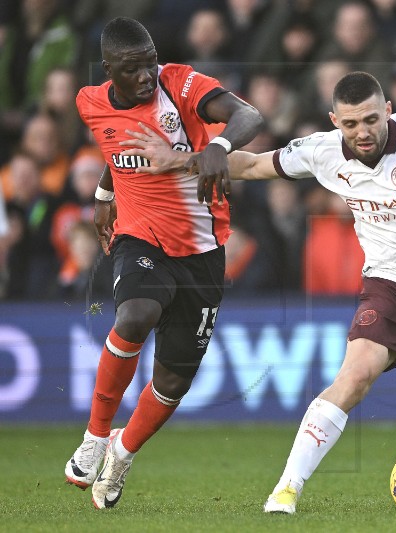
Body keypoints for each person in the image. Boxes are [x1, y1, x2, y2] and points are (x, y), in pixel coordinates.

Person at [120, 71, 396, 515]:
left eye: (371, 120)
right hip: (389, 285)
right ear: (335, 121)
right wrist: (179, 160)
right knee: (353, 376)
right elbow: (253, 164)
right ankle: (286, 490)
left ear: (387, 111)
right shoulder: (322, 150)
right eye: (350, 124)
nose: (362, 132)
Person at [63, 17, 263, 510]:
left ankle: (122, 455)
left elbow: (248, 116)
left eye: (150, 62)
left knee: (174, 380)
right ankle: (94, 436)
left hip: (202, 249)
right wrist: (106, 192)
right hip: (140, 237)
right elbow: (119, 147)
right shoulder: (89, 102)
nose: (146, 76)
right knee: (135, 314)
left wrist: (217, 146)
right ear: (111, 70)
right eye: (132, 69)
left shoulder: (181, 83)